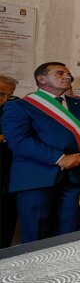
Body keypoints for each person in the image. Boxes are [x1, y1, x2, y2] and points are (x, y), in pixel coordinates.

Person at [3, 62, 80, 244]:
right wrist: (60, 158)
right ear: (41, 79)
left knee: (70, 234)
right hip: (37, 179)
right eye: (60, 73)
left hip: (75, 177)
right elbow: (20, 141)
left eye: (69, 74)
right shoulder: (21, 106)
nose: (68, 76)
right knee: (36, 235)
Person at [0, 73, 20, 246]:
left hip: (8, 173)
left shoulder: (13, 108)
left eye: (9, 95)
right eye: (1, 94)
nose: (5, 100)